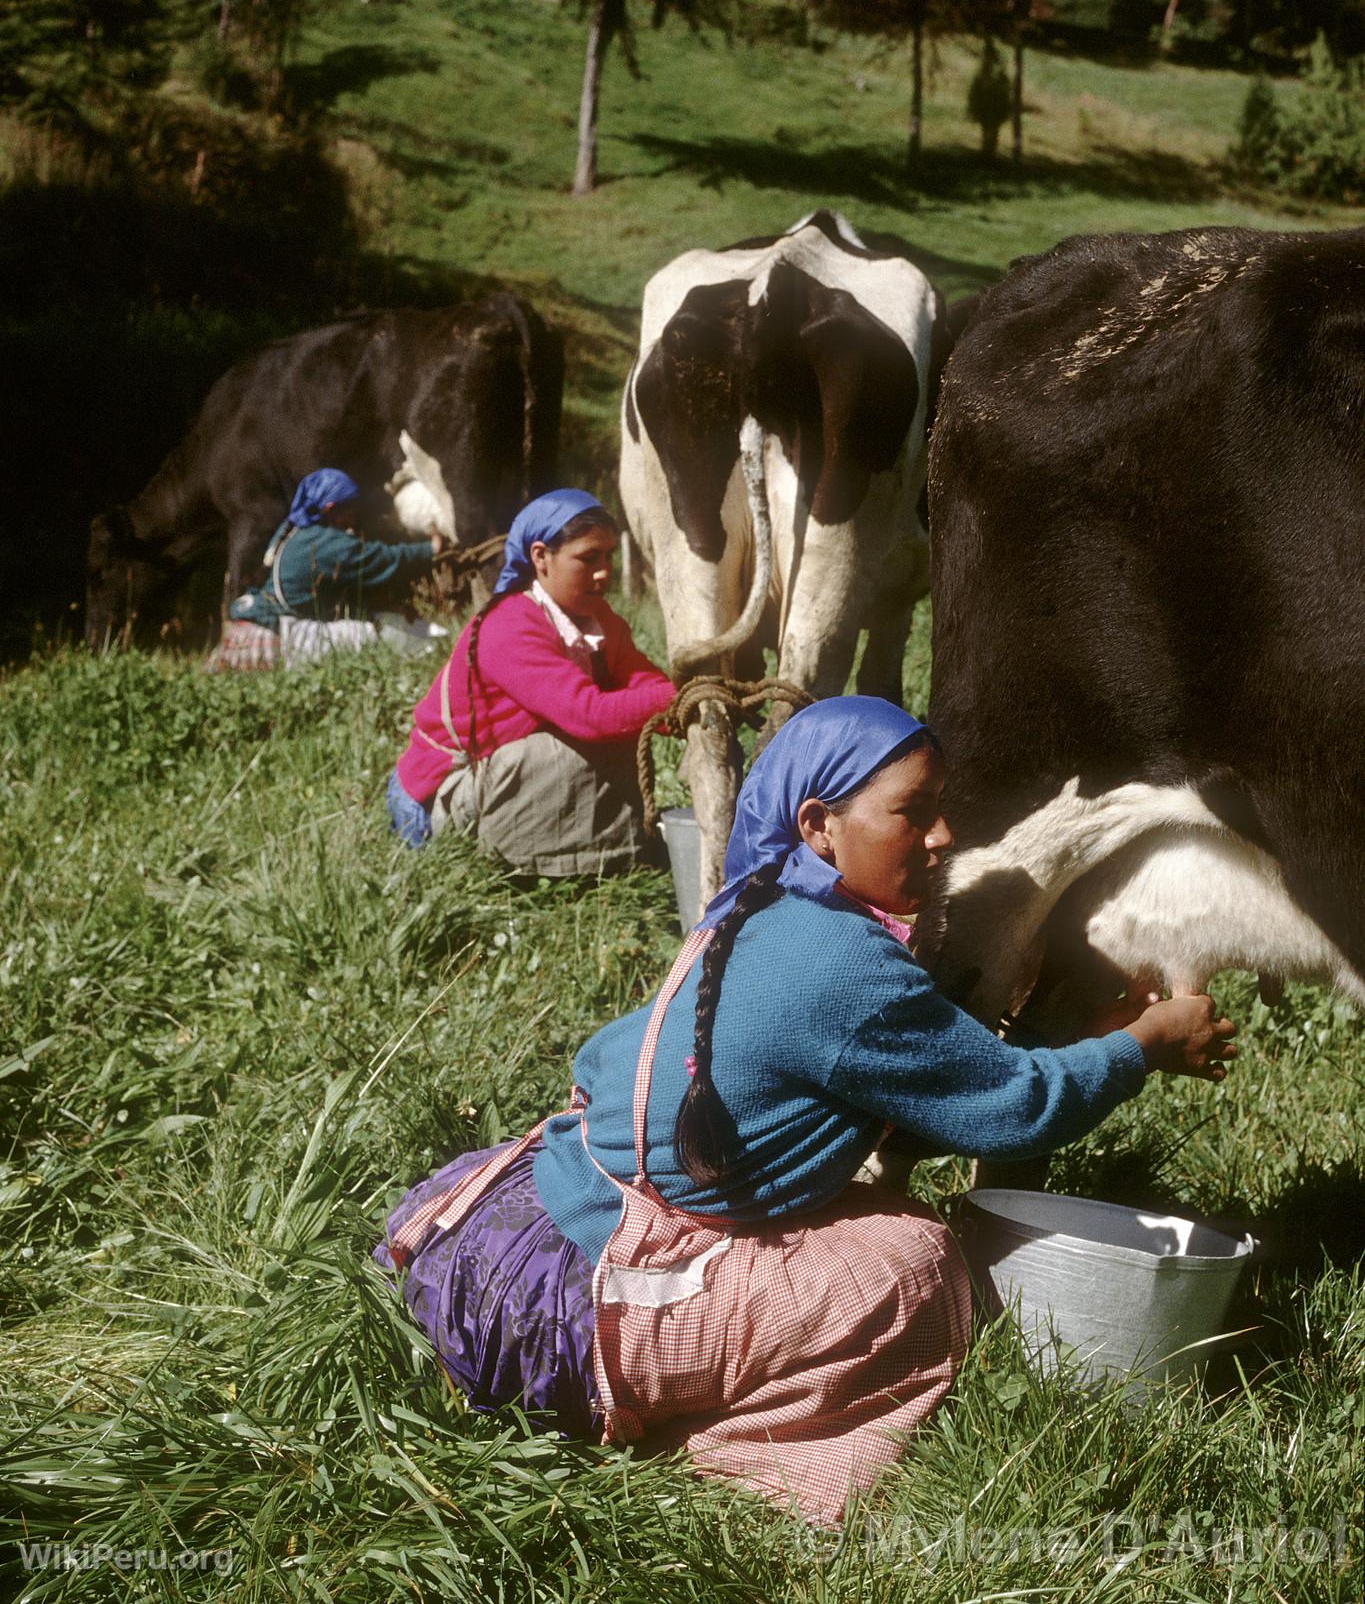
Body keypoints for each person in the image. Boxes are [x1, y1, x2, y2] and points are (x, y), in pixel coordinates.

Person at [374, 696, 1238, 1527]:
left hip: (479, 1242)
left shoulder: (756, 908)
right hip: (553, 1324)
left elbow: (615, 1066)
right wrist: (1146, 1043)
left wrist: (1088, 1035)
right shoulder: (842, 964)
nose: (941, 837)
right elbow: (1014, 1109)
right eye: (912, 812)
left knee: (868, 1221)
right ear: (818, 825)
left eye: (941, 808)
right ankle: (737, 1470)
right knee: (913, 1265)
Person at [387, 489, 676, 872]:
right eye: (588, 558)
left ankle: (596, 855)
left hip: (492, 778)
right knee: (571, 748)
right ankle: (514, 865)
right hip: (433, 800)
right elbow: (589, 714)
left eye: (608, 556)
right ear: (541, 556)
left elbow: (644, 682)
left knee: (615, 730)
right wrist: (679, 698)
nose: (604, 571)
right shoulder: (510, 625)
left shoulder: (598, 619)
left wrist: (692, 707)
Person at [210, 469, 442, 671]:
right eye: (350, 510)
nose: (353, 518)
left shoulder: (292, 532)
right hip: (276, 637)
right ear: (331, 509)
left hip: (245, 632)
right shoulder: (322, 543)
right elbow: (381, 559)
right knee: (374, 635)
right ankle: (432, 653)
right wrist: (430, 548)